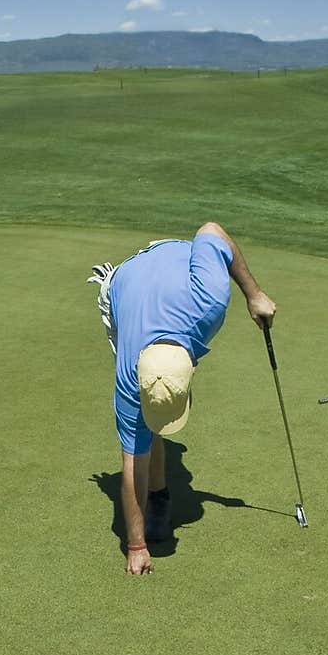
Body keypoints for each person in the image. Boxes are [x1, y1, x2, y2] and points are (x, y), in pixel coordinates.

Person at [88, 221, 276, 575]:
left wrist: (254, 293)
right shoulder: (131, 378)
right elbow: (132, 463)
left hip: (174, 260)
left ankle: (159, 494)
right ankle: (157, 496)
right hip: (124, 283)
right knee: (140, 433)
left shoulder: (209, 300)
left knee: (148, 423)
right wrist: (136, 545)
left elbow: (211, 231)